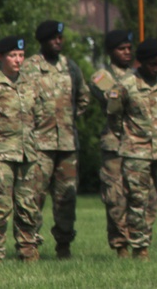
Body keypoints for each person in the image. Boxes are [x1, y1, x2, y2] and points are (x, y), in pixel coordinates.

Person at [108, 39, 157, 261]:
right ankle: (140, 249)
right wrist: (128, 137)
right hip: (136, 153)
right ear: (141, 62)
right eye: (152, 64)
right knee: (137, 202)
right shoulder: (126, 85)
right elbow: (114, 116)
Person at [21, 20, 91, 259]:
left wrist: (70, 118)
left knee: (66, 198)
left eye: (60, 38)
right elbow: (20, 102)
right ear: (43, 41)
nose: (59, 41)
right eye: (54, 38)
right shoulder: (29, 67)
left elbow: (83, 97)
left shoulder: (70, 67)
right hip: (40, 144)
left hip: (67, 145)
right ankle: (29, 248)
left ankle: (64, 246)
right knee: (33, 198)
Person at [88, 29, 157, 257]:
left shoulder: (141, 74)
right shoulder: (101, 77)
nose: (127, 53)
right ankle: (120, 246)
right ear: (111, 52)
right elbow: (116, 99)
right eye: (121, 49)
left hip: (141, 144)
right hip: (115, 143)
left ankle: (141, 241)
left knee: (145, 195)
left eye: (129, 48)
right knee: (116, 196)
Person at [0, 36, 42, 262]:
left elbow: (37, 115)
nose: (18, 60)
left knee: (28, 206)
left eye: (21, 55)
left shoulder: (29, 83)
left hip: (26, 152)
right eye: (13, 55)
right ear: (1, 57)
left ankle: (28, 251)